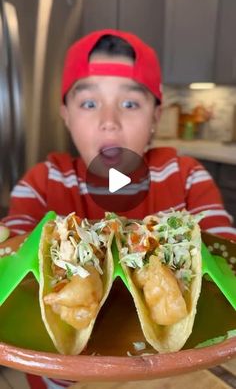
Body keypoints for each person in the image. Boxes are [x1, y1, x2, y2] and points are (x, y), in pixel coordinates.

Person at [1, 29, 236, 388]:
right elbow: (11, 255)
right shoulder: (43, 182)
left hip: (177, 374)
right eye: (89, 103)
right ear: (65, 114)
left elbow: (225, 254)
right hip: (58, 379)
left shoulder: (186, 177)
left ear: (156, 116)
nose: (108, 120)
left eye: (129, 104)